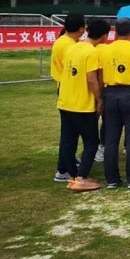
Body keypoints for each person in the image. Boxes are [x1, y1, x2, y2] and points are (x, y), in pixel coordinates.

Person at [56, 18, 110, 191]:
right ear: (104, 36)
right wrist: (99, 98)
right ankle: (81, 177)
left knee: (68, 141)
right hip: (82, 104)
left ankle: (72, 175)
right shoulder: (91, 52)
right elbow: (91, 79)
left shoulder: (71, 47)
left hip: (65, 102)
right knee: (92, 141)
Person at [99, 18, 130, 189]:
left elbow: (100, 77)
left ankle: (112, 179)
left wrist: (101, 97)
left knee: (111, 139)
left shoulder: (105, 50)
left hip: (110, 93)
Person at [51, 12, 86, 182]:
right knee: (69, 133)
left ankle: (67, 163)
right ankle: (63, 169)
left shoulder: (65, 42)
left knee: (71, 132)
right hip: (70, 89)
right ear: (81, 28)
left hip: (66, 88)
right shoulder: (68, 46)